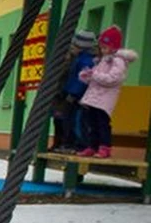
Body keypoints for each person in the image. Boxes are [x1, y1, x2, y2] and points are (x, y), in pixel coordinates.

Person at [77, 25, 138, 159]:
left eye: (105, 47)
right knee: (91, 123)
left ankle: (105, 147)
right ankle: (92, 146)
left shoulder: (118, 61)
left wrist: (95, 75)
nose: (102, 50)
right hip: (94, 97)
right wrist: (87, 76)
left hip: (104, 99)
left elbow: (112, 79)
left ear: (113, 47)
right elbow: (97, 77)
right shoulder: (103, 60)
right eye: (101, 47)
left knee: (102, 123)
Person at [53, 31, 96, 152]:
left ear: (81, 47)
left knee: (75, 120)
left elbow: (81, 80)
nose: (71, 48)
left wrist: (73, 93)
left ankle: (78, 145)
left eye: (74, 46)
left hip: (77, 96)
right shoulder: (79, 59)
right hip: (72, 93)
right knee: (68, 119)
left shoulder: (85, 61)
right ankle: (69, 143)